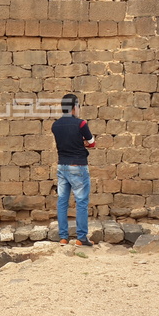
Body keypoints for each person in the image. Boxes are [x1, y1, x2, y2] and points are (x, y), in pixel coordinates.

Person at [51, 94, 95, 246]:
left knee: (62, 201)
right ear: (74, 107)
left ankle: (63, 237)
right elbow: (92, 142)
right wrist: (82, 142)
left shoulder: (55, 125)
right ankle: (81, 238)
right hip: (78, 166)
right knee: (81, 202)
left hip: (62, 166)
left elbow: (65, 141)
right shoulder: (81, 124)